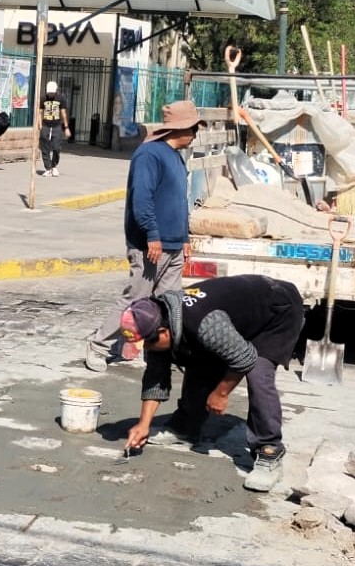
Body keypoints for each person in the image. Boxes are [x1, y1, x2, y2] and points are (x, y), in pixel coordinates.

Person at [118, 275, 305, 493]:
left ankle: (269, 449)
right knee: (200, 359)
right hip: (236, 315)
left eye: (148, 343)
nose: (147, 349)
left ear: (164, 331)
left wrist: (221, 393)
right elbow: (155, 376)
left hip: (276, 311)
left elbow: (244, 359)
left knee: (258, 373)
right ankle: (186, 428)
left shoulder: (203, 323)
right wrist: (144, 424)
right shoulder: (157, 321)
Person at [84, 100, 205, 373]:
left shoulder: (175, 156)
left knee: (168, 303)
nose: (196, 134)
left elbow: (179, 201)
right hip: (150, 245)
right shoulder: (149, 155)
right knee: (136, 299)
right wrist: (152, 233)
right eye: (194, 128)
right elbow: (142, 199)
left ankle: (156, 351)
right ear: (180, 128)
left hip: (173, 245)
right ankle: (98, 344)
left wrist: (184, 237)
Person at [39, 80, 70, 176]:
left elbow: (63, 113)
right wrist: (40, 124)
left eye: (52, 93)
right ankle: (48, 168)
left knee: (56, 147)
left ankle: (54, 165)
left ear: (55, 91)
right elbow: (40, 112)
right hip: (45, 125)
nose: (50, 95)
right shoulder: (43, 98)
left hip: (56, 125)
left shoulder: (61, 98)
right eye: (49, 93)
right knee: (45, 147)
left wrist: (66, 127)